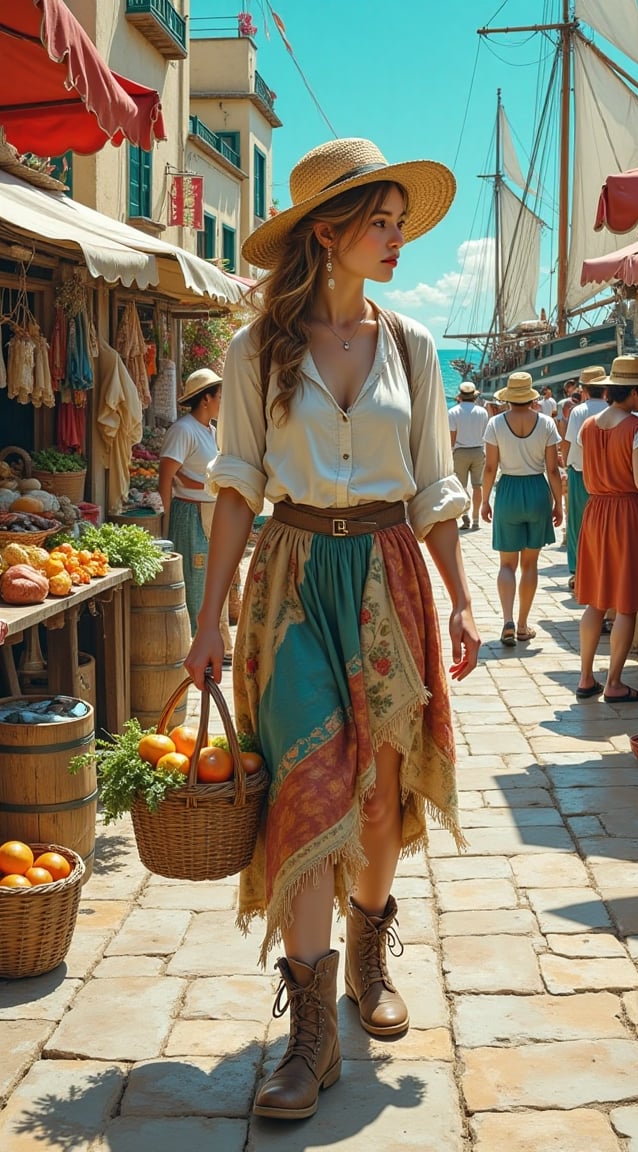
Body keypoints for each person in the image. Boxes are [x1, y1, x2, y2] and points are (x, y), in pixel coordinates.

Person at [183, 137, 480, 1122]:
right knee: (308, 785)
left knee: (382, 791)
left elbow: (436, 486)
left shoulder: (415, 347)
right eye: (379, 223)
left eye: (399, 222)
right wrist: (205, 618)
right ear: (327, 231)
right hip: (295, 576)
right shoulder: (256, 348)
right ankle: (311, 1035)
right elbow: (234, 490)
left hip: (389, 573)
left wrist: (465, 595)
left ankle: (365, 944)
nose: (397, 240)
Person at [575, 355, 638, 703]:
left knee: (596, 601)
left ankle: (586, 677)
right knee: (626, 602)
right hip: (626, 513)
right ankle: (614, 683)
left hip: (596, 512)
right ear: (632, 392)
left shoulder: (588, 426)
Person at [480, 371, 562, 645]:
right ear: (530, 396)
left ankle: (507, 621)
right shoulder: (547, 423)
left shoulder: (495, 423)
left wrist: (484, 500)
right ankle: (524, 625)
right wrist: (559, 504)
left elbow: (490, 467)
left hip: (509, 492)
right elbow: (553, 469)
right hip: (538, 491)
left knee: (506, 564)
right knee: (530, 564)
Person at [158, 368, 233, 664]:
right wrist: (163, 526)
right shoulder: (183, 430)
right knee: (196, 577)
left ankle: (220, 643)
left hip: (211, 511)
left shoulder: (212, 431)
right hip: (189, 513)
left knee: (215, 577)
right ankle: (192, 645)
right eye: (219, 397)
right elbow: (167, 476)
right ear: (205, 399)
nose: (222, 403)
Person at [562, 365, 608, 589]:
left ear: (585, 389)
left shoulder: (578, 411)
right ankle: (601, 569)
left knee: (577, 524)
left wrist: (564, 463)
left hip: (580, 472)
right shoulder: (610, 409)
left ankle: (578, 571)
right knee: (602, 525)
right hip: (606, 475)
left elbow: (569, 442)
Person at [448, 380, 488, 530]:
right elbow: (486, 434)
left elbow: (452, 437)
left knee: (461, 486)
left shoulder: (453, 412)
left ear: (460, 396)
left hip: (460, 452)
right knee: (478, 486)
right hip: (478, 451)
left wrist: (450, 452)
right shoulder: (482, 412)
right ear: (474, 396)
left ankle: (465, 516)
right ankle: (476, 518)